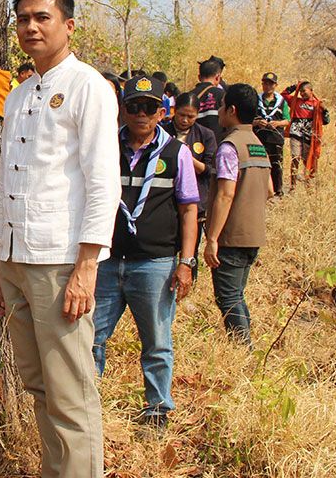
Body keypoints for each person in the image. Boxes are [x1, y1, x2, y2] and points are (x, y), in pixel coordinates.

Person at [0, 0, 120, 478]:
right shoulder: (18, 96)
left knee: (71, 390)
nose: (30, 27)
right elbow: (7, 183)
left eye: (42, 17)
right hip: (19, 258)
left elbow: (103, 181)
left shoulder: (88, 87)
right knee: (39, 384)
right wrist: (0, 263)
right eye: (22, 18)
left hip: (61, 259)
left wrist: (87, 265)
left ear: (68, 25)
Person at [93, 74, 199, 430]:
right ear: (123, 110)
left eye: (149, 107)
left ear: (161, 111)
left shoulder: (177, 153)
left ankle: (157, 409)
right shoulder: (105, 147)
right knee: (90, 336)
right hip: (106, 262)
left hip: (155, 264)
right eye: (134, 107)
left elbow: (188, 210)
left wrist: (185, 262)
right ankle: (87, 401)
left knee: (156, 341)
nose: (141, 114)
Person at [203, 83, 272, 346]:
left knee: (228, 297)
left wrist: (212, 239)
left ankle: (243, 349)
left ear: (231, 110)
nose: (219, 111)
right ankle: (246, 345)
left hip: (231, 237)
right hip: (254, 234)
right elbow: (269, 190)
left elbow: (225, 194)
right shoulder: (257, 145)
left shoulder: (229, 146)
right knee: (237, 294)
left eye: (222, 106)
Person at [164, 92, 217, 282]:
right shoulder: (162, 131)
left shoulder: (206, 135)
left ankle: (189, 280)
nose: (185, 120)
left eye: (191, 116)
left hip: (194, 201)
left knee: (190, 245)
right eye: (181, 115)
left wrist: (187, 158)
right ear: (174, 111)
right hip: (165, 199)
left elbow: (211, 170)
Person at [282, 80, 328, 188]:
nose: (302, 93)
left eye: (304, 91)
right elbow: (283, 95)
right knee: (295, 157)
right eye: (300, 91)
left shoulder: (317, 104)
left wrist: (324, 110)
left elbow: (325, 121)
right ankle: (293, 185)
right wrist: (295, 86)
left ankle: (309, 184)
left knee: (307, 159)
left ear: (311, 91)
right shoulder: (295, 101)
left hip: (309, 134)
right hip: (296, 132)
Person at [254, 72, 289, 196]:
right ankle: (261, 190)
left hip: (276, 138)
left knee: (276, 165)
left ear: (275, 85)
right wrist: (257, 122)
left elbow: (287, 120)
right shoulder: (256, 99)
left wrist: (277, 124)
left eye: (271, 84)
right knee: (259, 164)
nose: (268, 86)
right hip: (259, 138)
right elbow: (248, 119)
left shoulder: (281, 102)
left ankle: (277, 191)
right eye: (265, 83)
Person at [191, 56, 226, 141]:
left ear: (199, 77)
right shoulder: (222, 95)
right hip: (216, 146)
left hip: (194, 146)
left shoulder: (189, 96)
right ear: (218, 77)